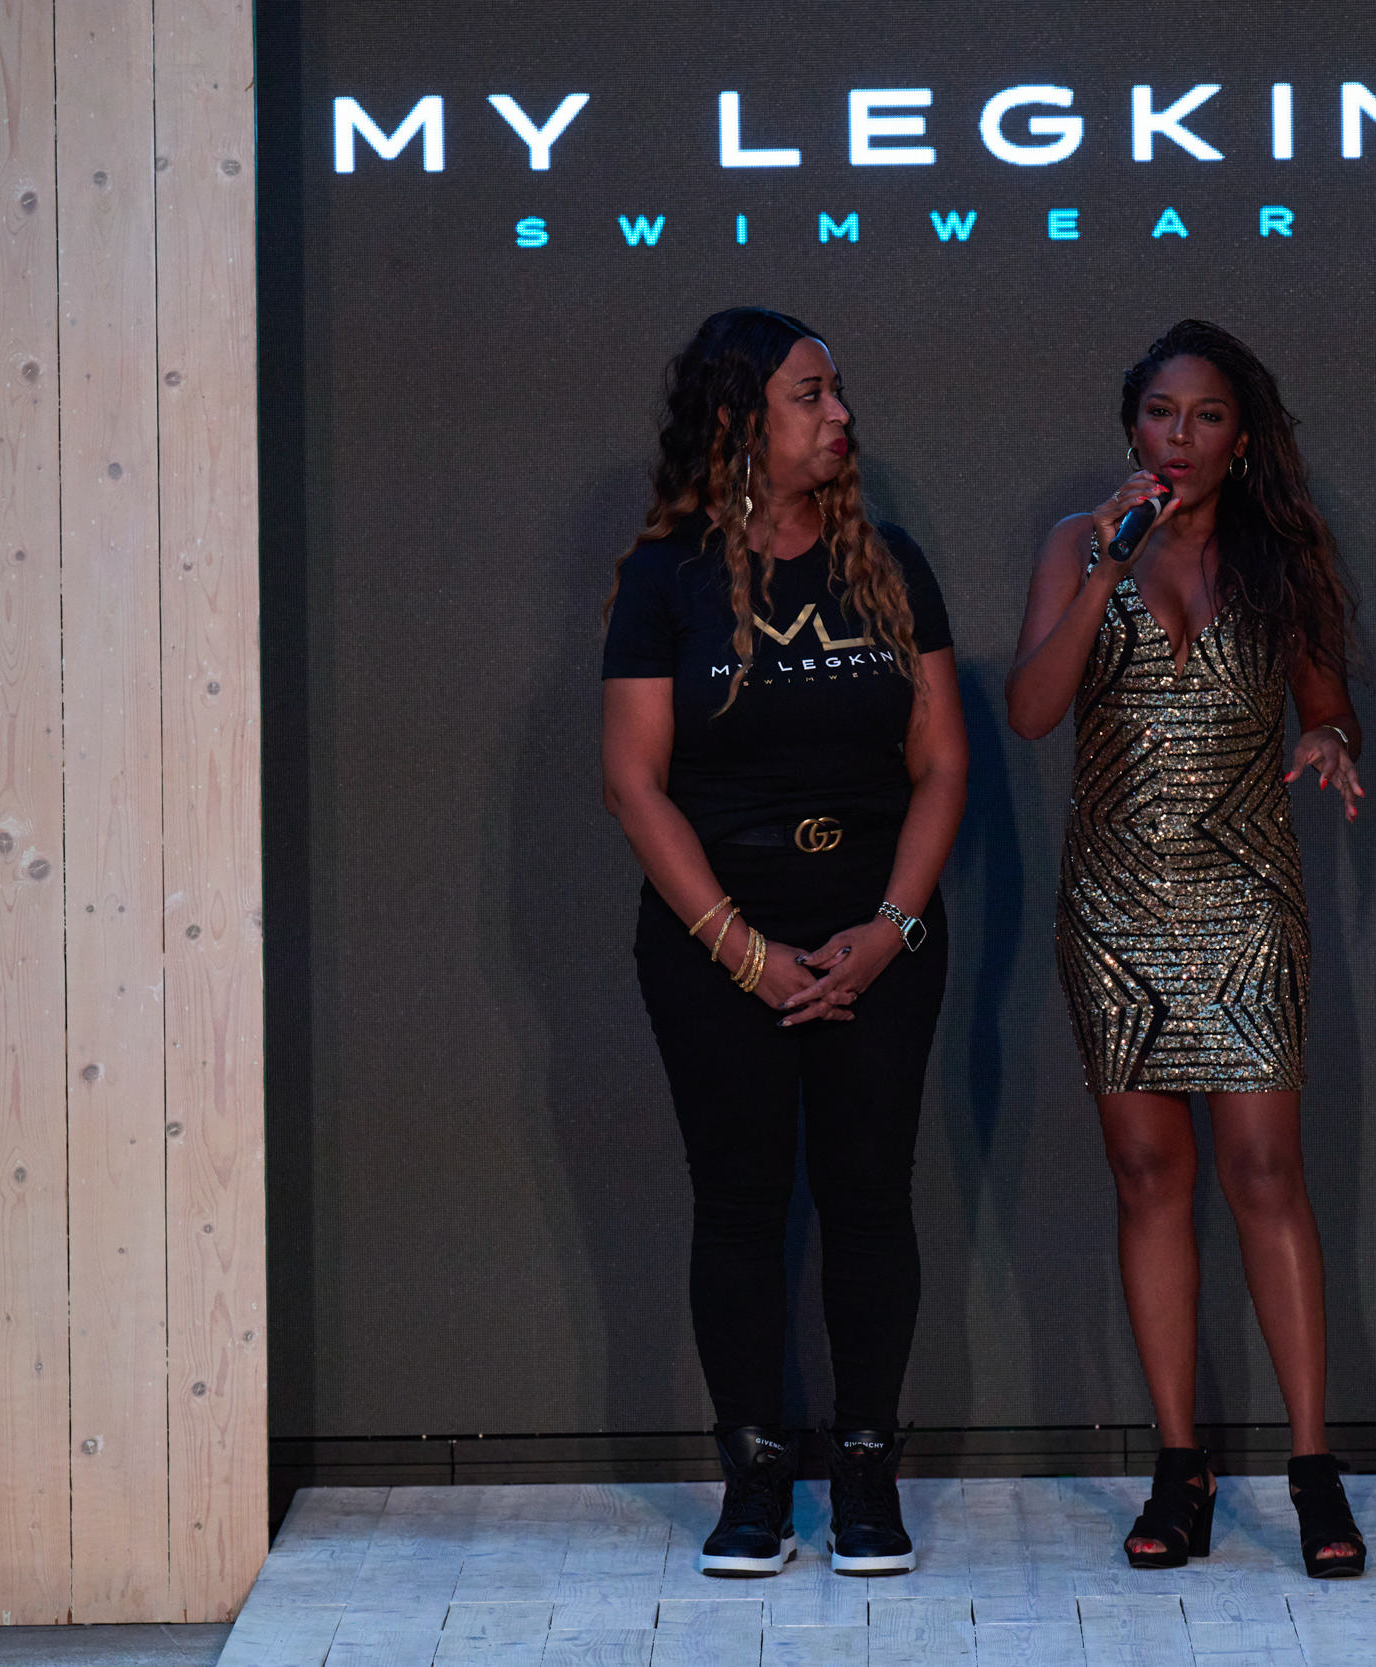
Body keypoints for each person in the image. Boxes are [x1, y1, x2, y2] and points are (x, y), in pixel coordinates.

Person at [601, 307, 968, 1578]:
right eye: (810, 394)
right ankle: (755, 1473)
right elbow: (634, 781)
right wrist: (746, 953)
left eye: (837, 391)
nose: (840, 415)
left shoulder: (891, 563)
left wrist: (888, 929)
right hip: (715, 944)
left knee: (870, 1197)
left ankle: (864, 1466)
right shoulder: (666, 578)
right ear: (737, 420)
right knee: (741, 1203)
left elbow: (941, 764)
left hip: (880, 934)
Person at [1005, 319, 1369, 1578]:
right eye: (1162, 412)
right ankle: (1179, 1464)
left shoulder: (1281, 556)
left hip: (1245, 894)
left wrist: (1328, 739)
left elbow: (1327, 703)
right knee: (1147, 1173)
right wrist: (1104, 567)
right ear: (1131, 427)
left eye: (1207, 416)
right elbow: (1030, 710)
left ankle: (1312, 1467)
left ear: (1241, 439)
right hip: (1113, 901)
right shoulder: (1077, 541)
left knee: (1264, 1167)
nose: (1181, 434)